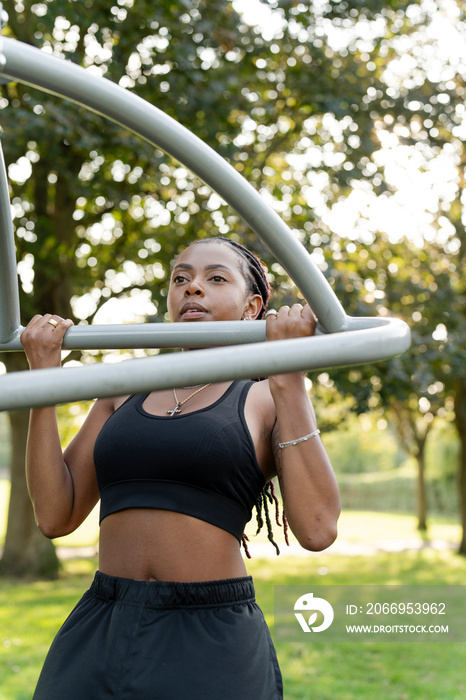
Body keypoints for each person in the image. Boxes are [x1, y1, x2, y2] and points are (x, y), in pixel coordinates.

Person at [21, 236, 341, 700]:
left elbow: (317, 530)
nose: (192, 287)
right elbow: (55, 515)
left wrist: (289, 375)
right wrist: (42, 380)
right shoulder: (123, 388)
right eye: (181, 278)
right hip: (104, 622)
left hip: (210, 634)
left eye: (215, 278)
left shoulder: (265, 399)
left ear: (253, 307)